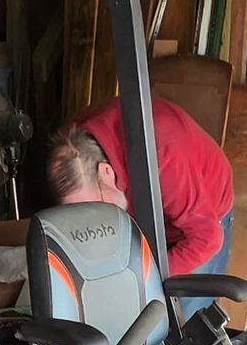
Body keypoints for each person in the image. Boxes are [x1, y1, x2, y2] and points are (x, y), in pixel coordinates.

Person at [47, 97, 235, 302]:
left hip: (200, 224)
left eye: (95, 208)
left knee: (184, 319)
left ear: (106, 173)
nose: (92, 221)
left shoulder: (162, 157)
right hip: (152, 209)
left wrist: (140, 279)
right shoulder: (70, 149)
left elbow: (206, 238)